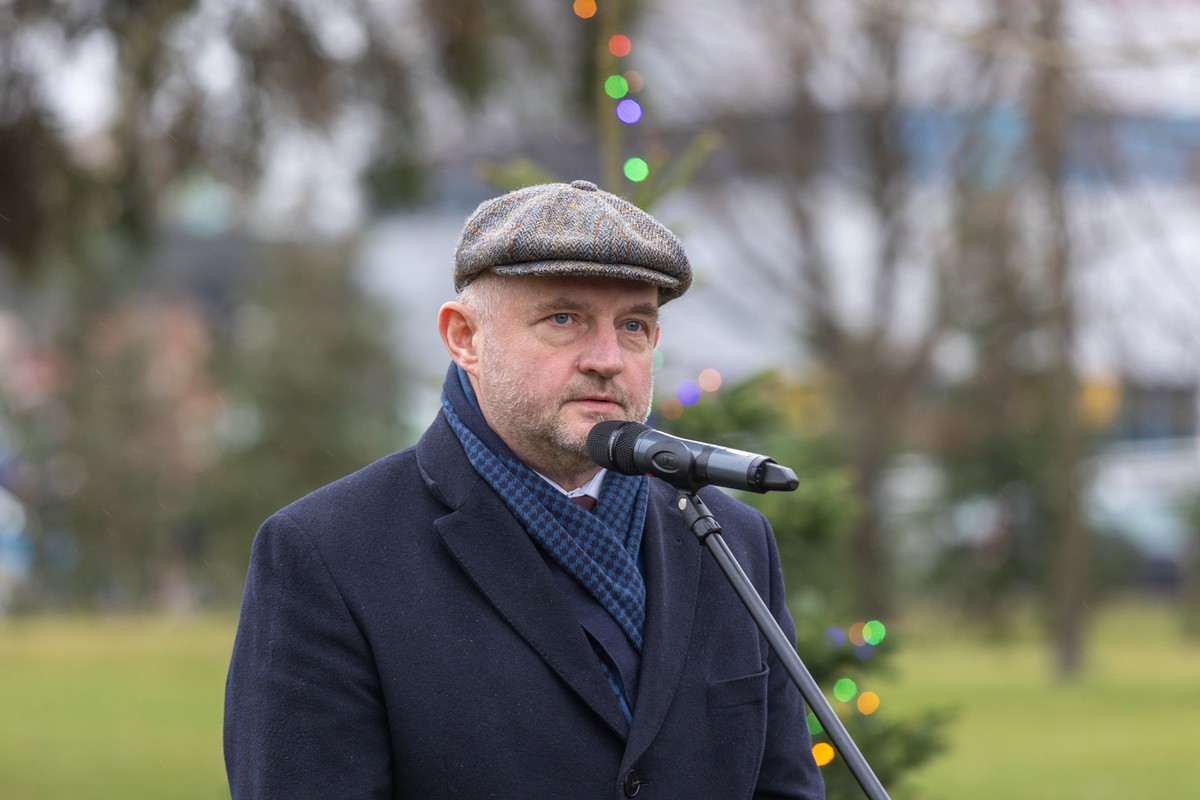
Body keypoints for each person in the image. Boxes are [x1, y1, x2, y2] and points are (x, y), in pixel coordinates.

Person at [223, 179, 826, 799]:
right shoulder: (328, 555)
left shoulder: (730, 539)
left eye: (633, 325)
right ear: (464, 338)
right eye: (564, 319)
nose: (607, 358)